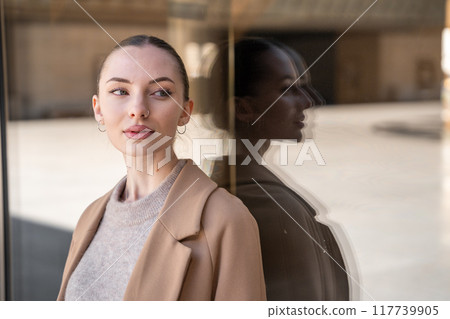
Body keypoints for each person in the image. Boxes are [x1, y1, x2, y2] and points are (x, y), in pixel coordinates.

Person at [57, 35, 266, 301]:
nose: (138, 110)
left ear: (185, 112)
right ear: (98, 109)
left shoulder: (226, 219)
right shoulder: (90, 217)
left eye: (160, 92)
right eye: (120, 91)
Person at [208, 38, 351, 300]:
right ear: (244, 108)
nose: (309, 101)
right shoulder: (269, 207)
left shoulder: (230, 186)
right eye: (288, 89)